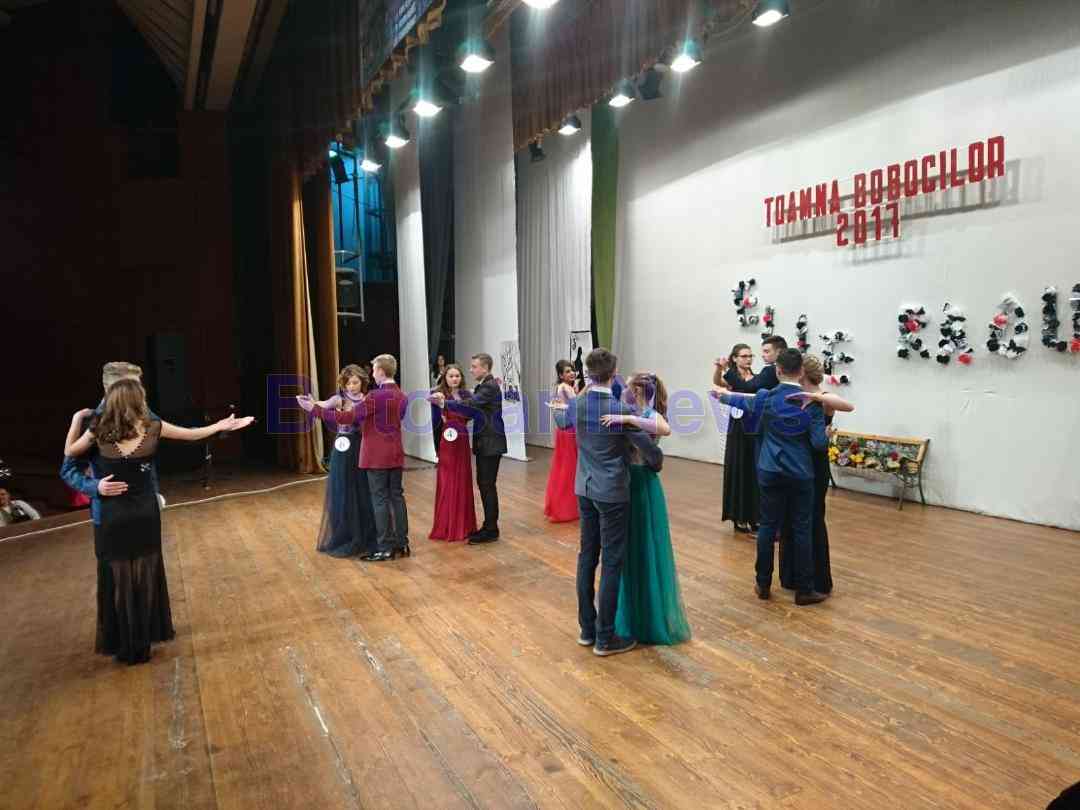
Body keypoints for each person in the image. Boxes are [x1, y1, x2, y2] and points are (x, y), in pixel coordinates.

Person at [62, 379, 253, 664]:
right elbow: (192, 434)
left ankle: (124, 644)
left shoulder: (97, 430)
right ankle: (143, 643)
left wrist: (77, 419)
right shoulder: (152, 427)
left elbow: (69, 453)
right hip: (145, 511)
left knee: (117, 576)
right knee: (146, 573)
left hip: (114, 513)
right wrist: (221, 425)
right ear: (138, 400)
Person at [553, 348, 663, 657]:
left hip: (584, 488)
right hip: (612, 491)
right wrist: (656, 463)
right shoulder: (617, 409)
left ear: (587, 373)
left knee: (587, 557)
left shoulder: (578, 404)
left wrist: (560, 403)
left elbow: (562, 422)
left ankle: (587, 630)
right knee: (612, 562)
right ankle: (605, 637)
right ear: (614, 374)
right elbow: (648, 449)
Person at [712, 348, 829, 606]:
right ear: (801, 372)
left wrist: (722, 396)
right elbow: (819, 444)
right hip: (800, 473)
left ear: (778, 370)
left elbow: (742, 402)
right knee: (801, 528)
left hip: (770, 470)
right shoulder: (811, 403)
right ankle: (804, 590)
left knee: (767, 526)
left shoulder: (766, 396)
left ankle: (763, 583)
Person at [601, 373, 691, 646]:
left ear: (638, 391)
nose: (623, 390)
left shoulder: (648, 414)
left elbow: (665, 429)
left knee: (645, 546)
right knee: (628, 548)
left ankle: (647, 617)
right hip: (626, 482)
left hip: (642, 484)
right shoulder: (623, 410)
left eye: (628, 387)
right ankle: (630, 613)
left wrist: (628, 420)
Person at [299, 354, 410, 562]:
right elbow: (399, 418)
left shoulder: (375, 396)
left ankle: (384, 547)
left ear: (380, 371)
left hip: (376, 456)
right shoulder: (402, 396)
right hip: (396, 454)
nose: (373, 374)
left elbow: (347, 417)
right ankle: (402, 543)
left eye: (374, 370)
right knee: (397, 496)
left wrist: (314, 410)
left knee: (379, 499)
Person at [778, 355, 854, 594]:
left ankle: (816, 579)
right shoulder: (792, 396)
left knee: (812, 517)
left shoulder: (823, 398)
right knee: (790, 516)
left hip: (815, 465)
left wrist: (816, 397)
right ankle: (792, 576)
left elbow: (847, 405)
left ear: (801, 373)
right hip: (794, 463)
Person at [437, 353, 506, 544]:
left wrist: (445, 403)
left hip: (490, 443)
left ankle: (491, 529)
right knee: (485, 485)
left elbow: (471, 404)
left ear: (485, 368)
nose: (471, 369)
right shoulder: (486, 385)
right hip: (487, 443)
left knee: (487, 485)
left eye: (474, 366)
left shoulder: (489, 386)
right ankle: (489, 526)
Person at [310, 365, 378, 557]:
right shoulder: (338, 399)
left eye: (355, 382)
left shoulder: (367, 400)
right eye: (348, 383)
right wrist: (312, 403)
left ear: (362, 382)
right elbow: (322, 405)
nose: (351, 386)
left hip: (360, 446)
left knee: (361, 489)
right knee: (342, 487)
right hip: (342, 448)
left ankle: (363, 533)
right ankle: (344, 533)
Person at [427, 364, 478, 542]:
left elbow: (473, 414)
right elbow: (435, 422)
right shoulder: (438, 394)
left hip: (462, 439)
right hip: (446, 441)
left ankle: (463, 525)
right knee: (447, 480)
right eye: (451, 376)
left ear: (461, 378)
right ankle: (447, 524)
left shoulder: (466, 395)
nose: (454, 379)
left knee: (462, 479)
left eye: (457, 376)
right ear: (445, 378)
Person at [716, 343, 760, 534]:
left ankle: (755, 515)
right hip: (738, 427)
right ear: (734, 358)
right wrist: (719, 368)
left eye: (750, 356)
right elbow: (718, 382)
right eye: (744, 356)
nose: (748, 359)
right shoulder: (732, 377)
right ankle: (739, 516)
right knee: (739, 466)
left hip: (755, 425)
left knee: (754, 470)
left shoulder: (757, 378)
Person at [543, 360, 580, 523]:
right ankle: (566, 507)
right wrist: (585, 389)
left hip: (565, 432)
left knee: (565, 468)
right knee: (569, 469)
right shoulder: (565, 387)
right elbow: (577, 404)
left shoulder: (564, 387)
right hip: (569, 432)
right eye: (567, 371)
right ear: (560, 375)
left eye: (572, 370)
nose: (571, 373)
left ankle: (563, 505)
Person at [717, 335, 788, 394]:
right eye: (744, 356)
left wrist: (726, 369)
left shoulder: (771, 370)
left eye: (766, 352)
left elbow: (746, 388)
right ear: (734, 358)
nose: (762, 355)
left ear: (779, 352)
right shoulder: (788, 366)